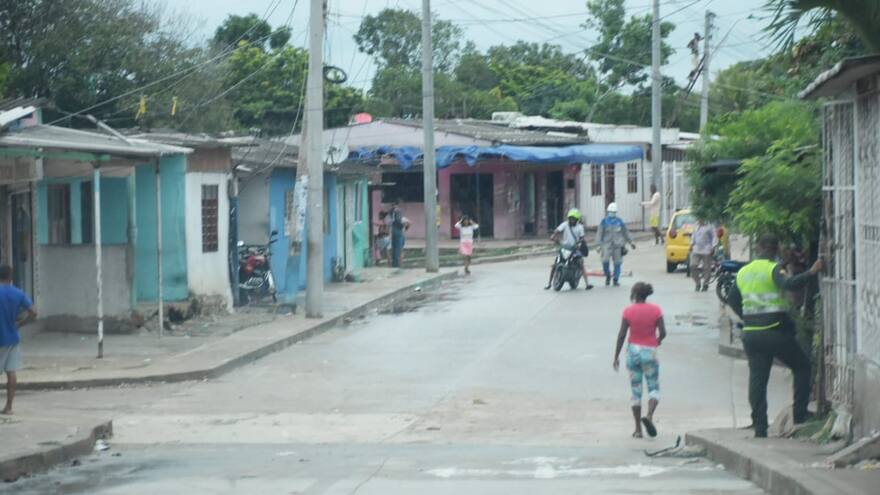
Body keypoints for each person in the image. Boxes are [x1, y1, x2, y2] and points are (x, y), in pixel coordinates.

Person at [728, 234, 823, 438]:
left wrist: (747, 317)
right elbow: (789, 285)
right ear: (774, 249)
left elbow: (732, 298)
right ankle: (799, 418)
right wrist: (811, 272)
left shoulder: (743, 272)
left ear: (758, 247)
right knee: (802, 366)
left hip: (751, 333)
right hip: (774, 330)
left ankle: (760, 427)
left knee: (758, 380)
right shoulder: (773, 268)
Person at [613, 282, 666, 438]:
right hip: (650, 352)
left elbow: (622, 334)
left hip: (633, 353)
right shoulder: (656, 310)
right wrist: (657, 341)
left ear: (634, 294)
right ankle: (649, 415)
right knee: (653, 388)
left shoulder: (628, 311)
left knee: (636, 391)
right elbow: (663, 332)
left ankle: (637, 429)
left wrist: (616, 355)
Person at [0, 265, 37, 415]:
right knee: (11, 371)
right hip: (13, 337)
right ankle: (9, 407)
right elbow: (34, 312)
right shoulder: (18, 293)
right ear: (11, 277)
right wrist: (20, 323)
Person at [545, 209, 594, 290]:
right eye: (570, 218)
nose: (571, 220)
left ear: (577, 219)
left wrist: (579, 243)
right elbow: (558, 230)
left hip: (575, 248)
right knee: (555, 264)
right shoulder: (565, 224)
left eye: (573, 219)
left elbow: (582, 238)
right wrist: (553, 236)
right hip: (565, 247)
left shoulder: (580, 227)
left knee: (580, 263)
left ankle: (587, 284)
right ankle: (549, 283)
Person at [597, 203, 636, 287]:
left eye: (614, 212)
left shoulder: (619, 221)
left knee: (617, 263)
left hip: (617, 245)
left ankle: (615, 279)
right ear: (608, 212)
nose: (612, 213)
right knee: (605, 261)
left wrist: (631, 242)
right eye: (611, 212)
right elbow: (599, 233)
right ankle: (607, 275)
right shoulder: (604, 221)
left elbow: (625, 232)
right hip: (606, 244)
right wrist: (598, 245)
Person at [690, 218, 718, 292]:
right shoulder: (696, 226)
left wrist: (713, 247)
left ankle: (705, 283)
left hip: (706, 249)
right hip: (696, 249)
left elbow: (714, 237)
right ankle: (697, 283)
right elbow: (693, 236)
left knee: (706, 268)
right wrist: (691, 244)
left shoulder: (709, 226)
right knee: (693, 265)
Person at [389, 200, 406, 268]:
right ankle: (397, 264)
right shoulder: (398, 211)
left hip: (393, 229)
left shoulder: (391, 211)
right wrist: (404, 223)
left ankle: (394, 263)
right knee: (398, 247)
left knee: (394, 247)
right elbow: (399, 220)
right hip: (398, 230)